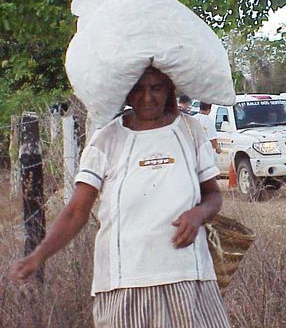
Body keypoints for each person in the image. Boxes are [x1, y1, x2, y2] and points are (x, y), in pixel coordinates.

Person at [10, 67, 231, 328]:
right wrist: (38, 255)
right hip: (124, 283)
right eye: (138, 88)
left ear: (170, 90)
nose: (147, 97)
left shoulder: (190, 131)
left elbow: (213, 196)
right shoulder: (106, 140)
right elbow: (77, 211)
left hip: (188, 277)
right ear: (125, 93)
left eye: (156, 88)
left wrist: (197, 215)